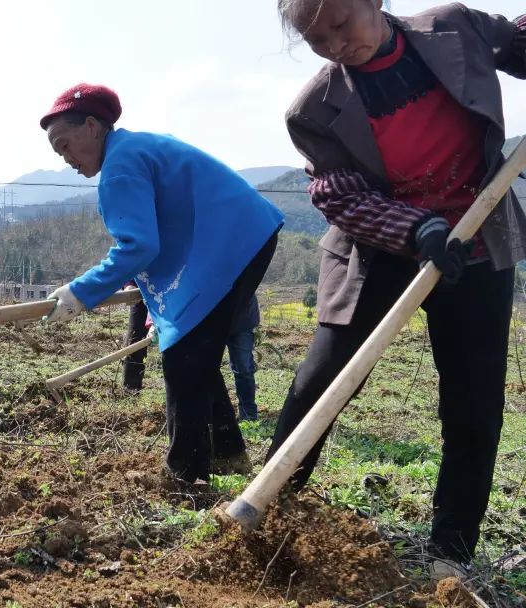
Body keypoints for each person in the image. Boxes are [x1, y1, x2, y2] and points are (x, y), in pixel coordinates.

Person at [268, 0, 526, 576]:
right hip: (377, 249)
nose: (335, 44)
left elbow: (516, 44)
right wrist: (415, 227)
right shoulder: (312, 109)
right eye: (316, 39)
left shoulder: (455, 28)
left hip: (477, 243)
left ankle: (451, 552)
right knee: (323, 382)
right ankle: (268, 507)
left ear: (375, 2)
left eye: (342, 24)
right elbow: (338, 196)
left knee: (474, 403)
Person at [39, 84, 284, 483]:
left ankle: (185, 475)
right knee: (195, 353)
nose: (66, 158)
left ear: (91, 126)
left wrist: (79, 293)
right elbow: (158, 237)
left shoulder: (120, 165)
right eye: (58, 152)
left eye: (65, 145)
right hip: (242, 237)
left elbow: (138, 246)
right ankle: (228, 453)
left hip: (229, 245)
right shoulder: (137, 147)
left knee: (184, 360)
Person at [123, 292, 263, 423]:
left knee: (243, 367)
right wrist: (155, 321)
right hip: (212, 321)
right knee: (208, 367)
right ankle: (213, 415)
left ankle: (248, 415)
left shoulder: (244, 267)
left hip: (241, 320)